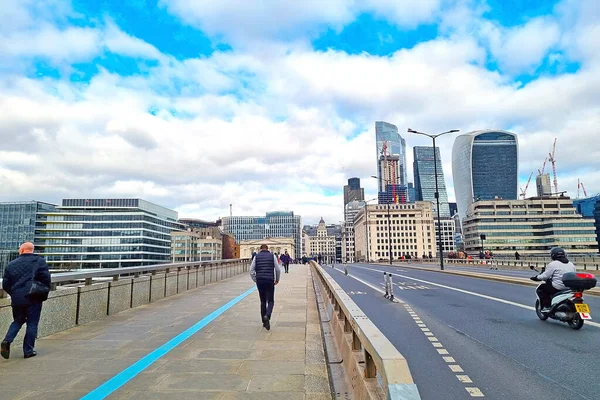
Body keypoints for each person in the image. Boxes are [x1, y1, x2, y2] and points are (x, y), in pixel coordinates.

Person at [2, 242, 51, 359]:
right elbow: (46, 280)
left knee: (18, 320)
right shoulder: (39, 261)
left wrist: (14, 294)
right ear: (31, 250)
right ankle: (28, 351)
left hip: (17, 299)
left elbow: (5, 284)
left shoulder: (11, 264)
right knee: (32, 323)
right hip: (33, 297)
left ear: (22, 250)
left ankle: (7, 341)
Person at [530, 247, 576, 312]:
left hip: (558, 287)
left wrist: (536, 277)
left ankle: (546, 306)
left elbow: (545, 276)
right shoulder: (571, 264)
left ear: (553, 255)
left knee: (540, 289)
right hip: (569, 287)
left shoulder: (553, 264)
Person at [249, 244, 281, 330]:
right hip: (270, 280)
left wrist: (255, 279)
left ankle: (264, 322)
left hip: (260, 281)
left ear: (260, 249)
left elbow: (251, 270)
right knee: (270, 301)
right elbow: (277, 269)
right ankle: (267, 315)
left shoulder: (256, 257)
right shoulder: (272, 256)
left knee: (262, 301)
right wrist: (277, 279)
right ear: (267, 249)